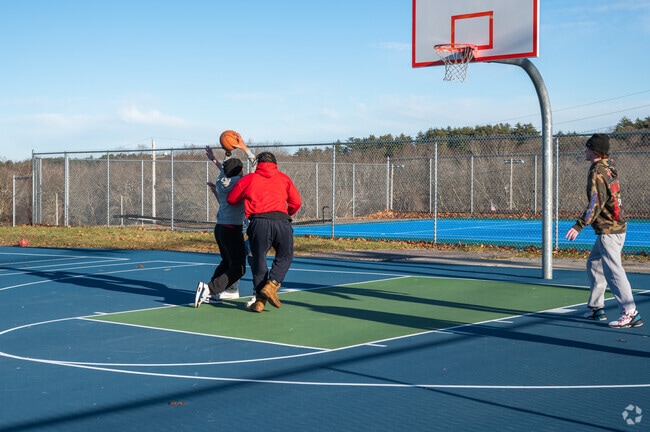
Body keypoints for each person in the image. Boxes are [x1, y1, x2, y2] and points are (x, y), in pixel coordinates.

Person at [565, 133, 643, 328]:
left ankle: (630, 312)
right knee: (594, 264)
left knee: (614, 271)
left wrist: (579, 225)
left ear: (594, 151)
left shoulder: (597, 171)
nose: (585, 151)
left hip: (610, 230)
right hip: (613, 227)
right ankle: (595, 308)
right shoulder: (609, 167)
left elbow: (596, 202)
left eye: (587, 148)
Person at [226, 152, 302, 313]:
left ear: (258, 163)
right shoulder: (284, 178)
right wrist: (284, 212)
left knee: (259, 259)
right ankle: (272, 284)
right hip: (281, 221)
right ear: (275, 163)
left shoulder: (249, 179)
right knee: (285, 255)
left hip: (259, 222)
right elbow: (296, 202)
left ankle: (260, 301)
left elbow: (231, 199)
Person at [194, 134, 257, 307]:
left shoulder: (221, 180)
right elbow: (254, 165)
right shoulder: (241, 183)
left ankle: (212, 293)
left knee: (226, 261)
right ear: (240, 172)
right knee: (238, 269)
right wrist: (244, 148)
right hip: (231, 230)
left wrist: (218, 157)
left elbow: (225, 168)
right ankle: (209, 289)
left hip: (220, 228)